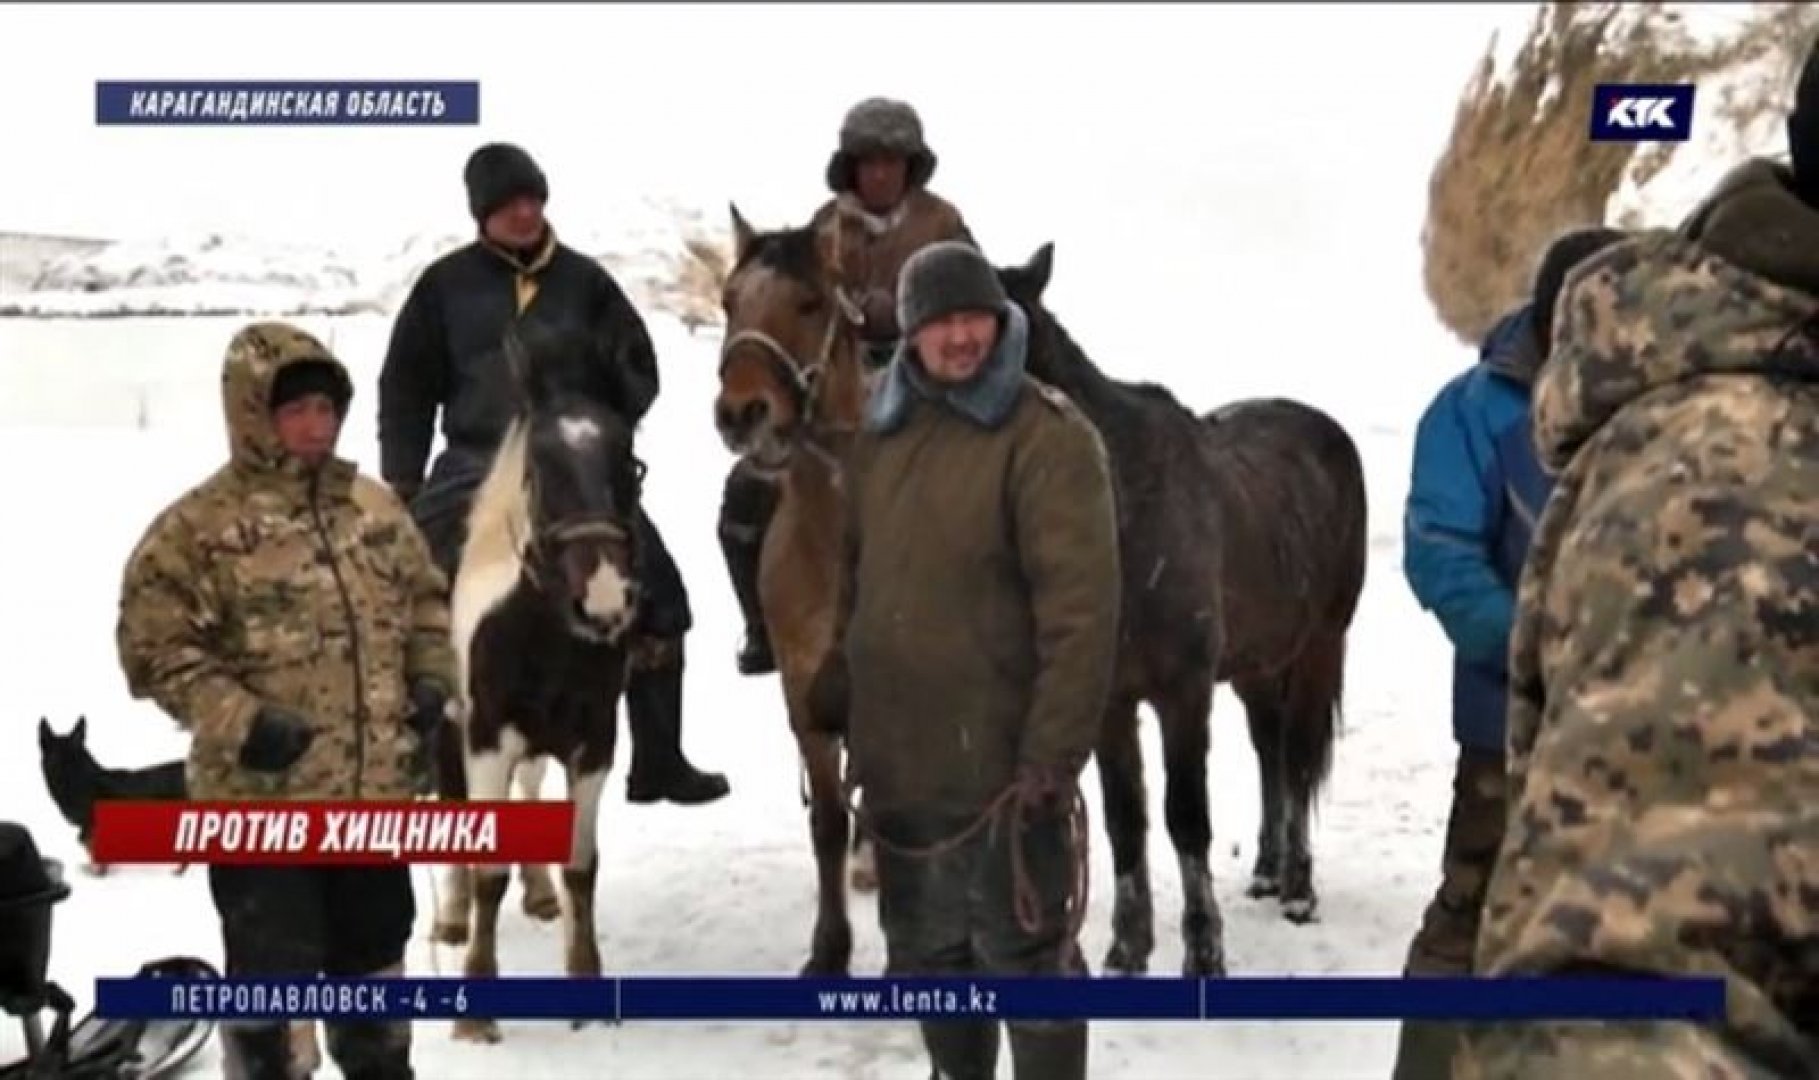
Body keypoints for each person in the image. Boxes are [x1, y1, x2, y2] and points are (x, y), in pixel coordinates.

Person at [1457, 43, 1819, 1080]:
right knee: (1460, 915)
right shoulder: (1720, 459)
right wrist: (1497, 635)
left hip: (1576, 691)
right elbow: (1623, 994)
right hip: (1548, 693)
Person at [115, 322, 455, 1080]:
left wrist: (432, 680)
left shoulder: (373, 510)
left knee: (373, 975)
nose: (314, 425)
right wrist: (241, 720)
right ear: (251, 413)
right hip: (261, 810)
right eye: (294, 409)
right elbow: (153, 650)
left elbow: (428, 606)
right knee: (272, 988)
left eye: (325, 409)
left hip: (372, 804)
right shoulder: (197, 531)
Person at [820, 240, 1119, 1080]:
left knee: (1028, 970)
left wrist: (1051, 758)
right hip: (903, 775)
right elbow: (853, 575)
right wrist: (840, 678)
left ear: (1002, 320)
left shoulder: (1047, 438)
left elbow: (1082, 616)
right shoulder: (877, 436)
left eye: (974, 318)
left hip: (1004, 779)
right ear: (910, 333)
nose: (960, 337)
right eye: (940, 321)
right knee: (929, 967)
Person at [377, 141, 727, 806]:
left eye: (532, 199)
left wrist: (599, 417)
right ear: (482, 213)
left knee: (660, 594)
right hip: (477, 459)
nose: (523, 213)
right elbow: (406, 385)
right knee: (406, 586)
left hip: (571, 460)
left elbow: (639, 368)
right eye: (508, 204)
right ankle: (419, 749)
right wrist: (403, 478)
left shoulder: (585, 283)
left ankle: (658, 759)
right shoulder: (443, 287)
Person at [1393, 225, 1624, 1079]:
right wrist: (1544, 658)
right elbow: (1439, 553)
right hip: (1507, 727)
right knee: (1470, 916)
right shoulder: (1469, 412)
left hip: (1646, 731)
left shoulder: (1649, 397)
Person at [718, 97, 978, 677]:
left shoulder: (943, 224)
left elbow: (973, 303)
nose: (880, 173)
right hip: (835, 388)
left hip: (926, 386)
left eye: (892, 161)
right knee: (743, 497)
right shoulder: (825, 227)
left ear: (912, 166)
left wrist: (908, 314)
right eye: (868, 161)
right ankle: (765, 630)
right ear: (850, 167)